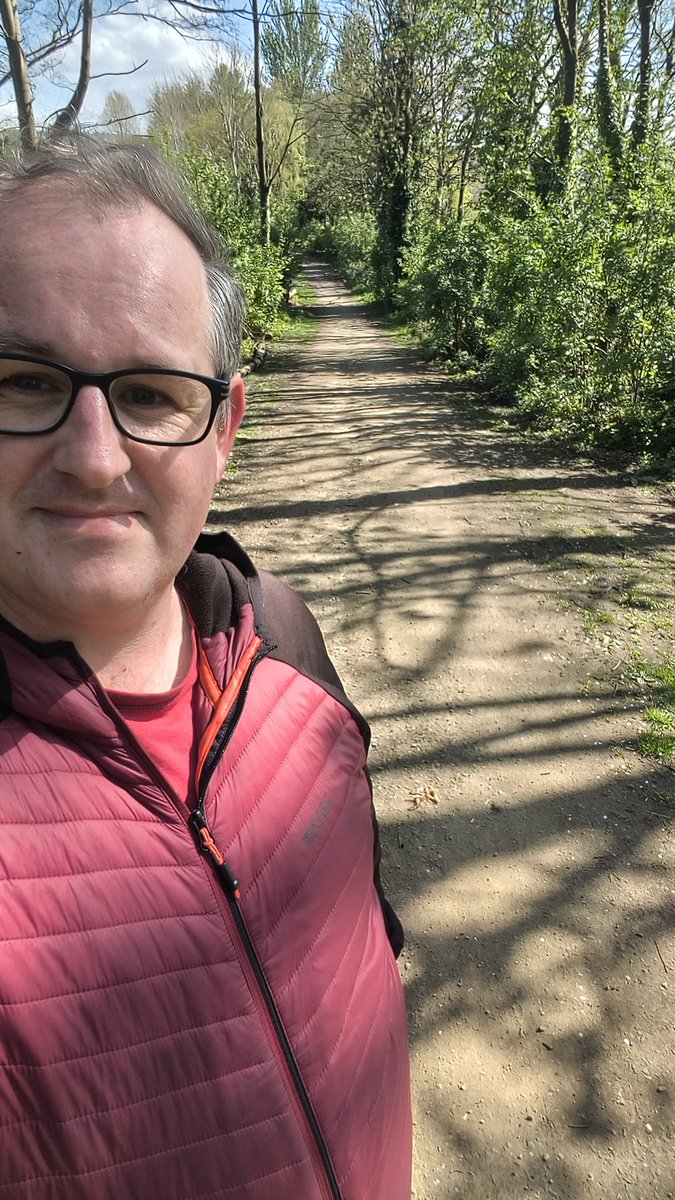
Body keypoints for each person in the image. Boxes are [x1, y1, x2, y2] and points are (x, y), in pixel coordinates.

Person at [0, 136, 412, 1200]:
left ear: (223, 428)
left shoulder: (282, 639)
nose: (93, 457)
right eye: (24, 379)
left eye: (149, 396)